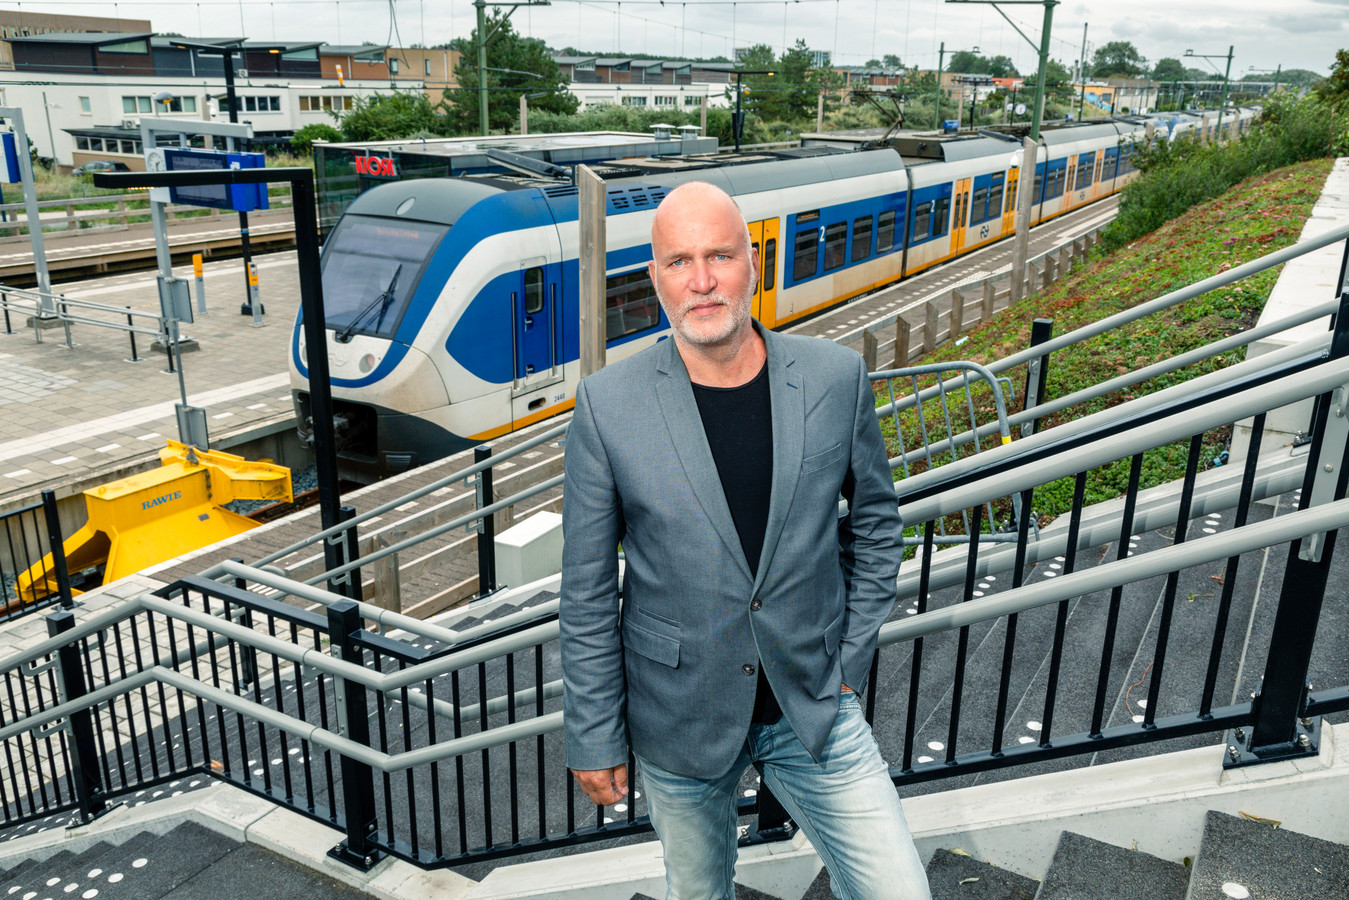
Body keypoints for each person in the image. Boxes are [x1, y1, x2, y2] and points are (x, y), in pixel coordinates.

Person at [559, 181, 930, 900]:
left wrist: (847, 656)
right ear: (654, 279)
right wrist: (594, 735)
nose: (701, 281)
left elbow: (877, 524)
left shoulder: (834, 378)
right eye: (678, 262)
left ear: (752, 263)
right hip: (678, 718)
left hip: (814, 705)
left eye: (719, 256)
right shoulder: (608, 406)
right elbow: (586, 591)